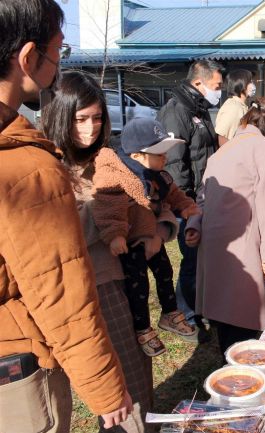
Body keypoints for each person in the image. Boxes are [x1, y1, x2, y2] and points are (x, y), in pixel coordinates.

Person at [0, 1, 132, 431]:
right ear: (28, 57)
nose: (58, 65)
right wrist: (105, 387)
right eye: (60, 51)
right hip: (15, 363)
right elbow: (59, 291)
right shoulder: (29, 169)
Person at [41, 70, 155, 433]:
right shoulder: (47, 167)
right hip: (81, 288)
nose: (90, 129)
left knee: (135, 374)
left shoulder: (106, 159)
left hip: (121, 280)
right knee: (112, 386)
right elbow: (56, 236)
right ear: (60, 117)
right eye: (80, 119)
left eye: (97, 118)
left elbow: (140, 209)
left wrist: (159, 224)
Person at [185, 97, 265, 355]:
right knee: (243, 318)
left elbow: (203, 196)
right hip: (243, 242)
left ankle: (228, 365)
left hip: (214, 243)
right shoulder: (264, 147)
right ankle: (239, 376)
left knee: (225, 314)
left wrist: (194, 224)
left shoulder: (224, 149)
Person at [92, 118, 201, 356]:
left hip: (151, 234)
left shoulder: (157, 174)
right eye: (159, 153)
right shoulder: (114, 175)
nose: (165, 158)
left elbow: (173, 194)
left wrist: (186, 207)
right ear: (137, 156)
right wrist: (115, 235)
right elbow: (108, 207)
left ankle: (170, 313)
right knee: (138, 284)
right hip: (130, 242)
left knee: (165, 272)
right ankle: (142, 327)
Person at [157, 59, 224, 342]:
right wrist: (186, 206)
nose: (219, 91)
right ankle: (185, 315)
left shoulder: (199, 110)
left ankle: (200, 307)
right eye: (217, 86)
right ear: (199, 83)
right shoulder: (176, 112)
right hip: (188, 203)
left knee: (203, 260)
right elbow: (175, 163)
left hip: (204, 198)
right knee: (191, 259)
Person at [216, 69, 255, 145]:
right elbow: (222, 137)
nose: (253, 85)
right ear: (241, 84)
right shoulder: (233, 107)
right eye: (250, 82)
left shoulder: (240, 105)